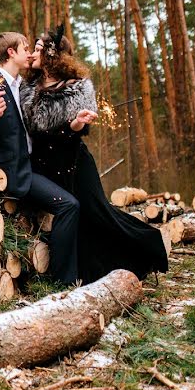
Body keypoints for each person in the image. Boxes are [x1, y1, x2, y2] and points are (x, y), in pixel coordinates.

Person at [20, 26, 168, 283]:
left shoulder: (78, 88)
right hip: (44, 166)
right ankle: (78, 273)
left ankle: (147, 248)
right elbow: (32, 130)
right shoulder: (28, 87)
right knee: (71, 215)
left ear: (53, 55)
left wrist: (75, 125)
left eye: (38, 49)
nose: (33, 53)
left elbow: (77, 131)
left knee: (96, 213)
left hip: (73, 163)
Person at [0, 32, 81, 284]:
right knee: (69, 205)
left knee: (72, 201)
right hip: (10, 174)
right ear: (11, 52)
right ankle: (64, 281)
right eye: (25, 47)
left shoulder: (24, 86)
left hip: (34, 167)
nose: (30, 52)